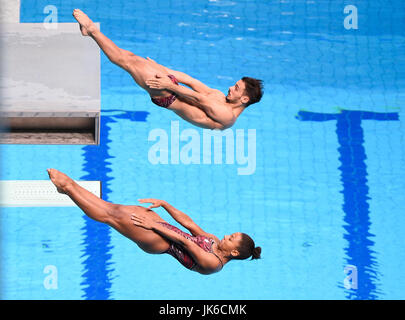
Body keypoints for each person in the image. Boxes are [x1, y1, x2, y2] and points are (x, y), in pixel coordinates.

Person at [72, 9, 264, 130]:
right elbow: (192, 82)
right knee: (131, 57)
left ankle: (92, 30)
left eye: (237, 88)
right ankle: (90, 33)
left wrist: (168, 84)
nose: (231, 87)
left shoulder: (227, 117)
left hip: (168, 95)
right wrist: (164, 69)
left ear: (244, 99)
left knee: (127, 62)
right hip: (171, 87)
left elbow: (198, 98)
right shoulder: (220, 97)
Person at [47, 169, 261, 275]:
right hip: (168, 231)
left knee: (111, 216)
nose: (225, 236)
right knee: (115, 209)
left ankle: (68, 188)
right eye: (230, 234)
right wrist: (165, 204)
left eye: (231, 238)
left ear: (234, 252)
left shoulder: (214, 264)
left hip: (162, 243)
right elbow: (190, 225)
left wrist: (154, 226)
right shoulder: (214, 241)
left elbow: (187, 244)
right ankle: (69, 188)